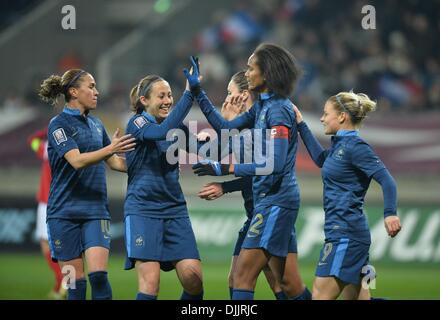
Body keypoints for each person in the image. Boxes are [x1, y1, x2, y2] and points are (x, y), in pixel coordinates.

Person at [189, 44, 311, 300]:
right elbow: (225, 125)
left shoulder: (278, 110)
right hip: (269, 203)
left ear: (266, 74)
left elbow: (274, 165)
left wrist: (225, 169)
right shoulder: (265, 106)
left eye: (250, 68)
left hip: (275, 202)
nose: (246, 72)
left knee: (243, 278)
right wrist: (197, 92)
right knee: (289, 285)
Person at [292, 91, 402, 300]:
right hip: (352, 236)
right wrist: (301, 125)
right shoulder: (338, 146)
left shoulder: (356, 147)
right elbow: (320, 159)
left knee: (319, 295)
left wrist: (390, 213)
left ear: (342, 116)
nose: (322, 118)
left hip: (346, 236)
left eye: (326, 114)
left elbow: (387, 181)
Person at [39, 69, 136, 300]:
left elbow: (114, 162)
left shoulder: (95, 124)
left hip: (95, 212)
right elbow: (76, 160)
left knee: (99, 276)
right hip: (63, 215)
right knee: (75, 284)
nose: (97, 91)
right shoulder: (58, 125)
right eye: (91, 86)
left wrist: (150, 166)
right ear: (74, 91)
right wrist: (110, 148)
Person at [123, 59, 204, 300]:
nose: (168, 100)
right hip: (143, 209)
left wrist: (236, 127)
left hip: (174, 209)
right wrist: (190, 94)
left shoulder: (177, 127)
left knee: (194, 279)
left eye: (170, 95)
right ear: (144, 101)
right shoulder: (138, 122)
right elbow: (159, 132)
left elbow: (208, 149)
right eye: (161, 96)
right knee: (150, 284)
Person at [27, 127, 66, 300]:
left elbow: (32, 140)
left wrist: (46, 130)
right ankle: (64, 285)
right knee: (67, 247)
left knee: (46, 244)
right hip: (64, 200)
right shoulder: (68, 148)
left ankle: (61, 281)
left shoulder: (47, 149)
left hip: (47, 201)